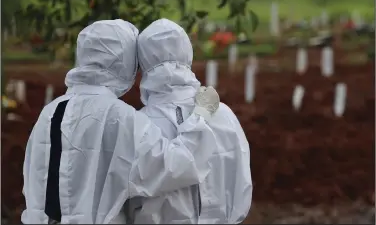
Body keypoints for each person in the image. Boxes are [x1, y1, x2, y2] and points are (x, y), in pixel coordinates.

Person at [21, 19, 221, 224]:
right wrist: (201, 116)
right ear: (124, 61)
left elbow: (34, 182)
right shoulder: (119, 117)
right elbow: (177, 165)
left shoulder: (50, 113)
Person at [127, 18, 253, 224]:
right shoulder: (224, 115)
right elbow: (241, 184)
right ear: (188, 52)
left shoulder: (136, 125)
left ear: (142, 62)